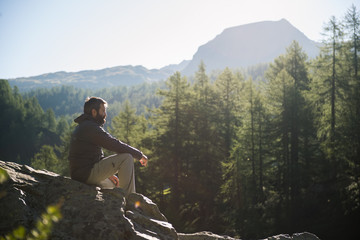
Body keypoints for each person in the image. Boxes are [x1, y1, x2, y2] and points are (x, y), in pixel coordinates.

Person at [68, 97, 148, 196]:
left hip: (82, 173)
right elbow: (114, 144)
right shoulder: (90, 128)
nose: (105, 114)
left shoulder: (85, 126)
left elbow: (90, 155)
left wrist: (108, 175)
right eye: (103, 111)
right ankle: (129, 199)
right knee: (126, 158)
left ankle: (119, 201)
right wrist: (139, 155)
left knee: (113, 185)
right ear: (94, 112)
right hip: (86, 173)